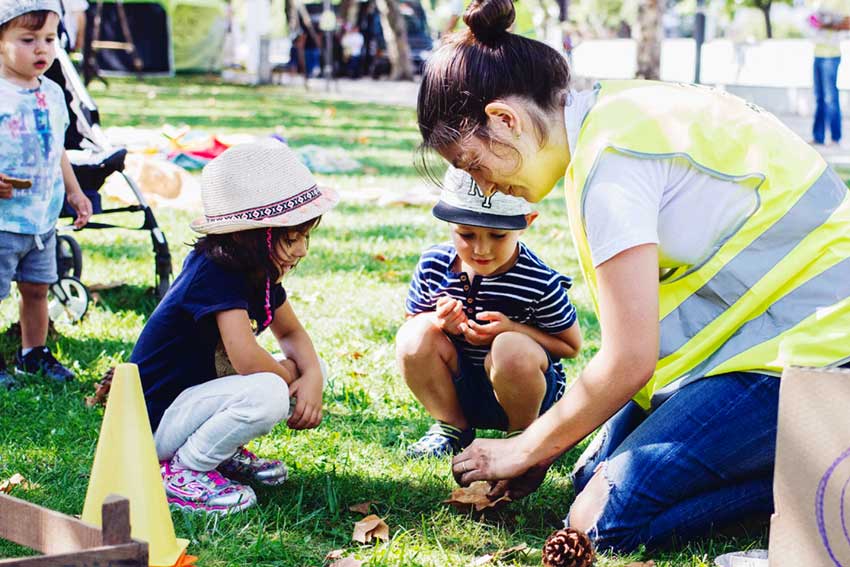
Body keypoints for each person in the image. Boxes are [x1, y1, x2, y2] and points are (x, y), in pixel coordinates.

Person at [416, 0, 850, 553]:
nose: (486, 189)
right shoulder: (608, 122)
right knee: (584, 482)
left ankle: (811, 470)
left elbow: (628, 359)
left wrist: (526, 446)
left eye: (476, 165)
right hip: (754, 352)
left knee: (602, 523)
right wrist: (548, 446)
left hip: (819, 356)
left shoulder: (613, 161)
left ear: (506, 120)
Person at [129, 142, 339, 514]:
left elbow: (291, 334)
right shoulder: (215, 270)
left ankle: (217, 453)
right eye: (292, 238)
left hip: (193, 407)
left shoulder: (257, 270)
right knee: (269, 391)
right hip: (154, 422)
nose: (303, 249)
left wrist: (312, 381)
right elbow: (244, 358)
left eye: (305, 236)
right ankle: (183, 470)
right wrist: (290, 380)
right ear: (251, 235)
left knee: (312, 367)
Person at [398, 167, 581, 459]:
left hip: (526, 393)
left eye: (497, 236)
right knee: (414, 334)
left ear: (527, 222)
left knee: (510, 347)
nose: (481, 249)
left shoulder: (538, 281)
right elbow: (412, 330)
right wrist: (440, 321)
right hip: (459, 390)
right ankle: (451, 427)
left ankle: (521, 436)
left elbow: (571, 347)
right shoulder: (433, 264)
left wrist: (513, 329)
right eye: (466, 234)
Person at [0, 0, 92, 389]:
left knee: (37, 288)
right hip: (3, 219)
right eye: (27, 39)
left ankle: (33, 353)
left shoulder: (53, 93)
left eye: (50, 38)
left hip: (42, 216)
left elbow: (57, 148)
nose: (42, 48)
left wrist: (74, 191)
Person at [808, 0, 850, 146]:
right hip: (817, 53)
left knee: (830, 98)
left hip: (831, 55)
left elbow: (848, 23)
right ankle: (818, 137)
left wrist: (824, 24)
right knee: (819, 97)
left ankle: (835, 138)